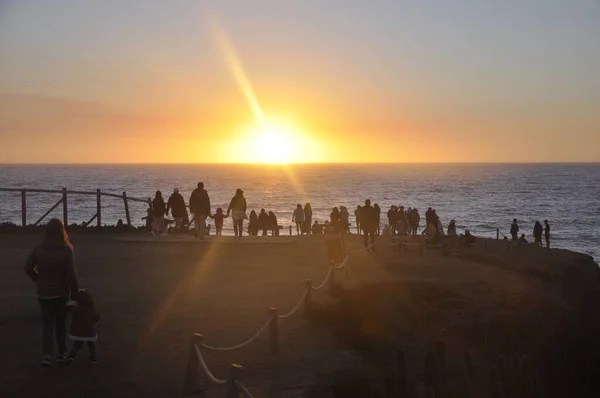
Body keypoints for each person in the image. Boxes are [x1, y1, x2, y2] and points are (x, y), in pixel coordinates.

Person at [24, 218, 79, 367]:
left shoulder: (39, 249)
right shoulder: (66, 250)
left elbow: (27, 267)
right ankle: (62, 353)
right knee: (60, 323)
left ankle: (46, 355)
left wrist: (38, 280)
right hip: (61, 292)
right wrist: (75, 294)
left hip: (44, 292)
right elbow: (71, 275)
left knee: (47, 324)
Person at [65, 289, 99, 365]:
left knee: (77, 344)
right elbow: (97, 318)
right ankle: (93, 357)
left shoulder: (78, 309)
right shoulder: (94, 309)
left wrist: (71, 302)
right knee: (92, 344)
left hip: (78, 331)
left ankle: (71, 357)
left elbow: (69, 307)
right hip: (90, 331)